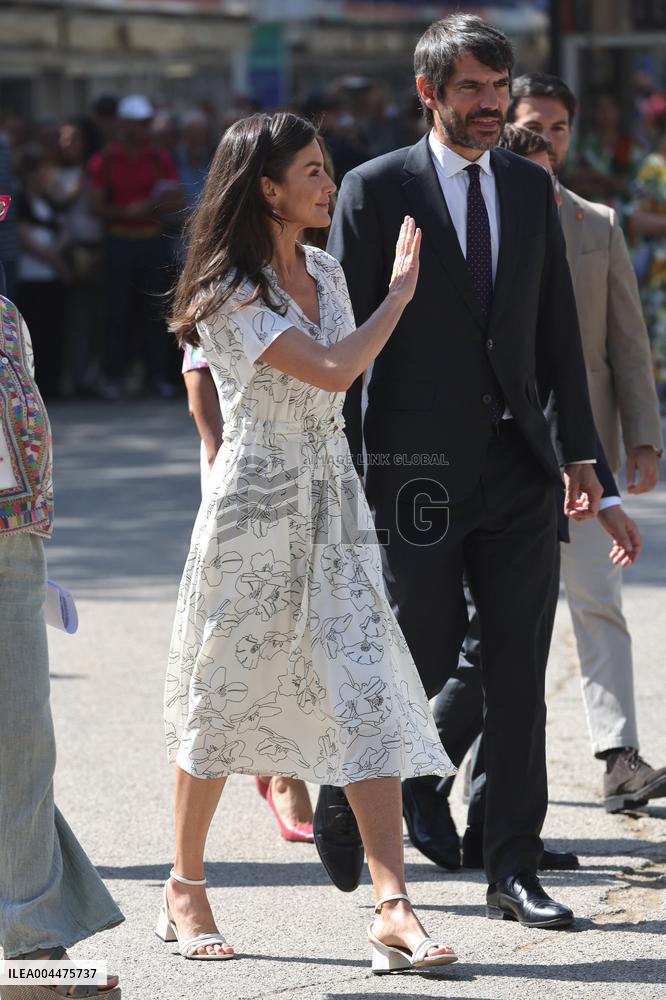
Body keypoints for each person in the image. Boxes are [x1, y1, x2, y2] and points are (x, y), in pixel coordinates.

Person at [161, 111, 458, 971]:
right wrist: (400, 296)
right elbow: (332, 370)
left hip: (332, 500)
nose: (331, 184)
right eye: (315, 171)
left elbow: (340, 392)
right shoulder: (226, 286)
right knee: (221, 695)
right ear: (267, 187)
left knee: (366, 689)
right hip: (254, 504)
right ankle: (185, 886)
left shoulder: (324, 267)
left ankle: (393, 908)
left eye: (329, 169)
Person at [323, 14, 602, 930]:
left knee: (518, 670)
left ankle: (510, 866)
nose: (492, 105)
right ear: (430, 93)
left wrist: (579, 452)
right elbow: (345, 339)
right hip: (414, 471)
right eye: (473, 89)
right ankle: (349, 777)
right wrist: (350, 472)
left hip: (520, 467)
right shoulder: (373, 189)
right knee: (422, 652)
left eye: (499, 86)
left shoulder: (528, 188)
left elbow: (555, 328)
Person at [416, 121, 649, 875]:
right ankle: (411, 775)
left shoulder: (592, 225)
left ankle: (503, 826)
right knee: (489, 651)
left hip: (567, 464)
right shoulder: (448, 215)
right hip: (474, 470)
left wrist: (610, 468)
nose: (538, 165)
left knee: (529, 649)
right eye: (528, 149)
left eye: (552, 145)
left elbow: (613, 349)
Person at [508, 74, 665, 810]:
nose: (549, 140)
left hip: (589, 453)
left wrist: (643, 439)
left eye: (560, 128)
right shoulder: (484, 223)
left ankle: (619, 756)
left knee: (599, 604)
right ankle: (473, 773)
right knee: (501, 625)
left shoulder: (595, 222)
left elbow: (627, 345)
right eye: (534, 126)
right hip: (507, 458)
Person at [0, 290, 123, 997]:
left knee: (23, 746)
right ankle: (33, 943)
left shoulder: (8, 315)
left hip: (14, 548)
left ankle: (33, 948)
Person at [181, 342, 315, 843]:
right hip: (243, 465)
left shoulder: (320, 266)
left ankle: (283, 760)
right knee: (255, 626)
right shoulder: (228, 270)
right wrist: (221, 464)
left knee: (305, 620)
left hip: (314, 457)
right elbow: (197, 364)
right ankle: (282, 772)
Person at [88, 94, 182, 400]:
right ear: (123, 124)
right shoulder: (105, 160)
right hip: (118, 242)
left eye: (145, 123)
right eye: (136, 123)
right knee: (116, 312)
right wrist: (128, 212)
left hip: (152, 243)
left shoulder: (159, 158)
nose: (141, 129)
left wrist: (150, 206)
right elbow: (97, 205)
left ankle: (156, 377)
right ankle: (113, 376)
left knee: (156, 312)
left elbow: (176, 199)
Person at [15, 146, 70, 400]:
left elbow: (63, 231)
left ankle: (53, 385)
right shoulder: (20, 201)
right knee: (33, 335)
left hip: (51, 276)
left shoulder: (49, 201)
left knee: (54, 333)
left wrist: (55, 254)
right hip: (32, 276)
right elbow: (25, 237)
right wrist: (54, 260)